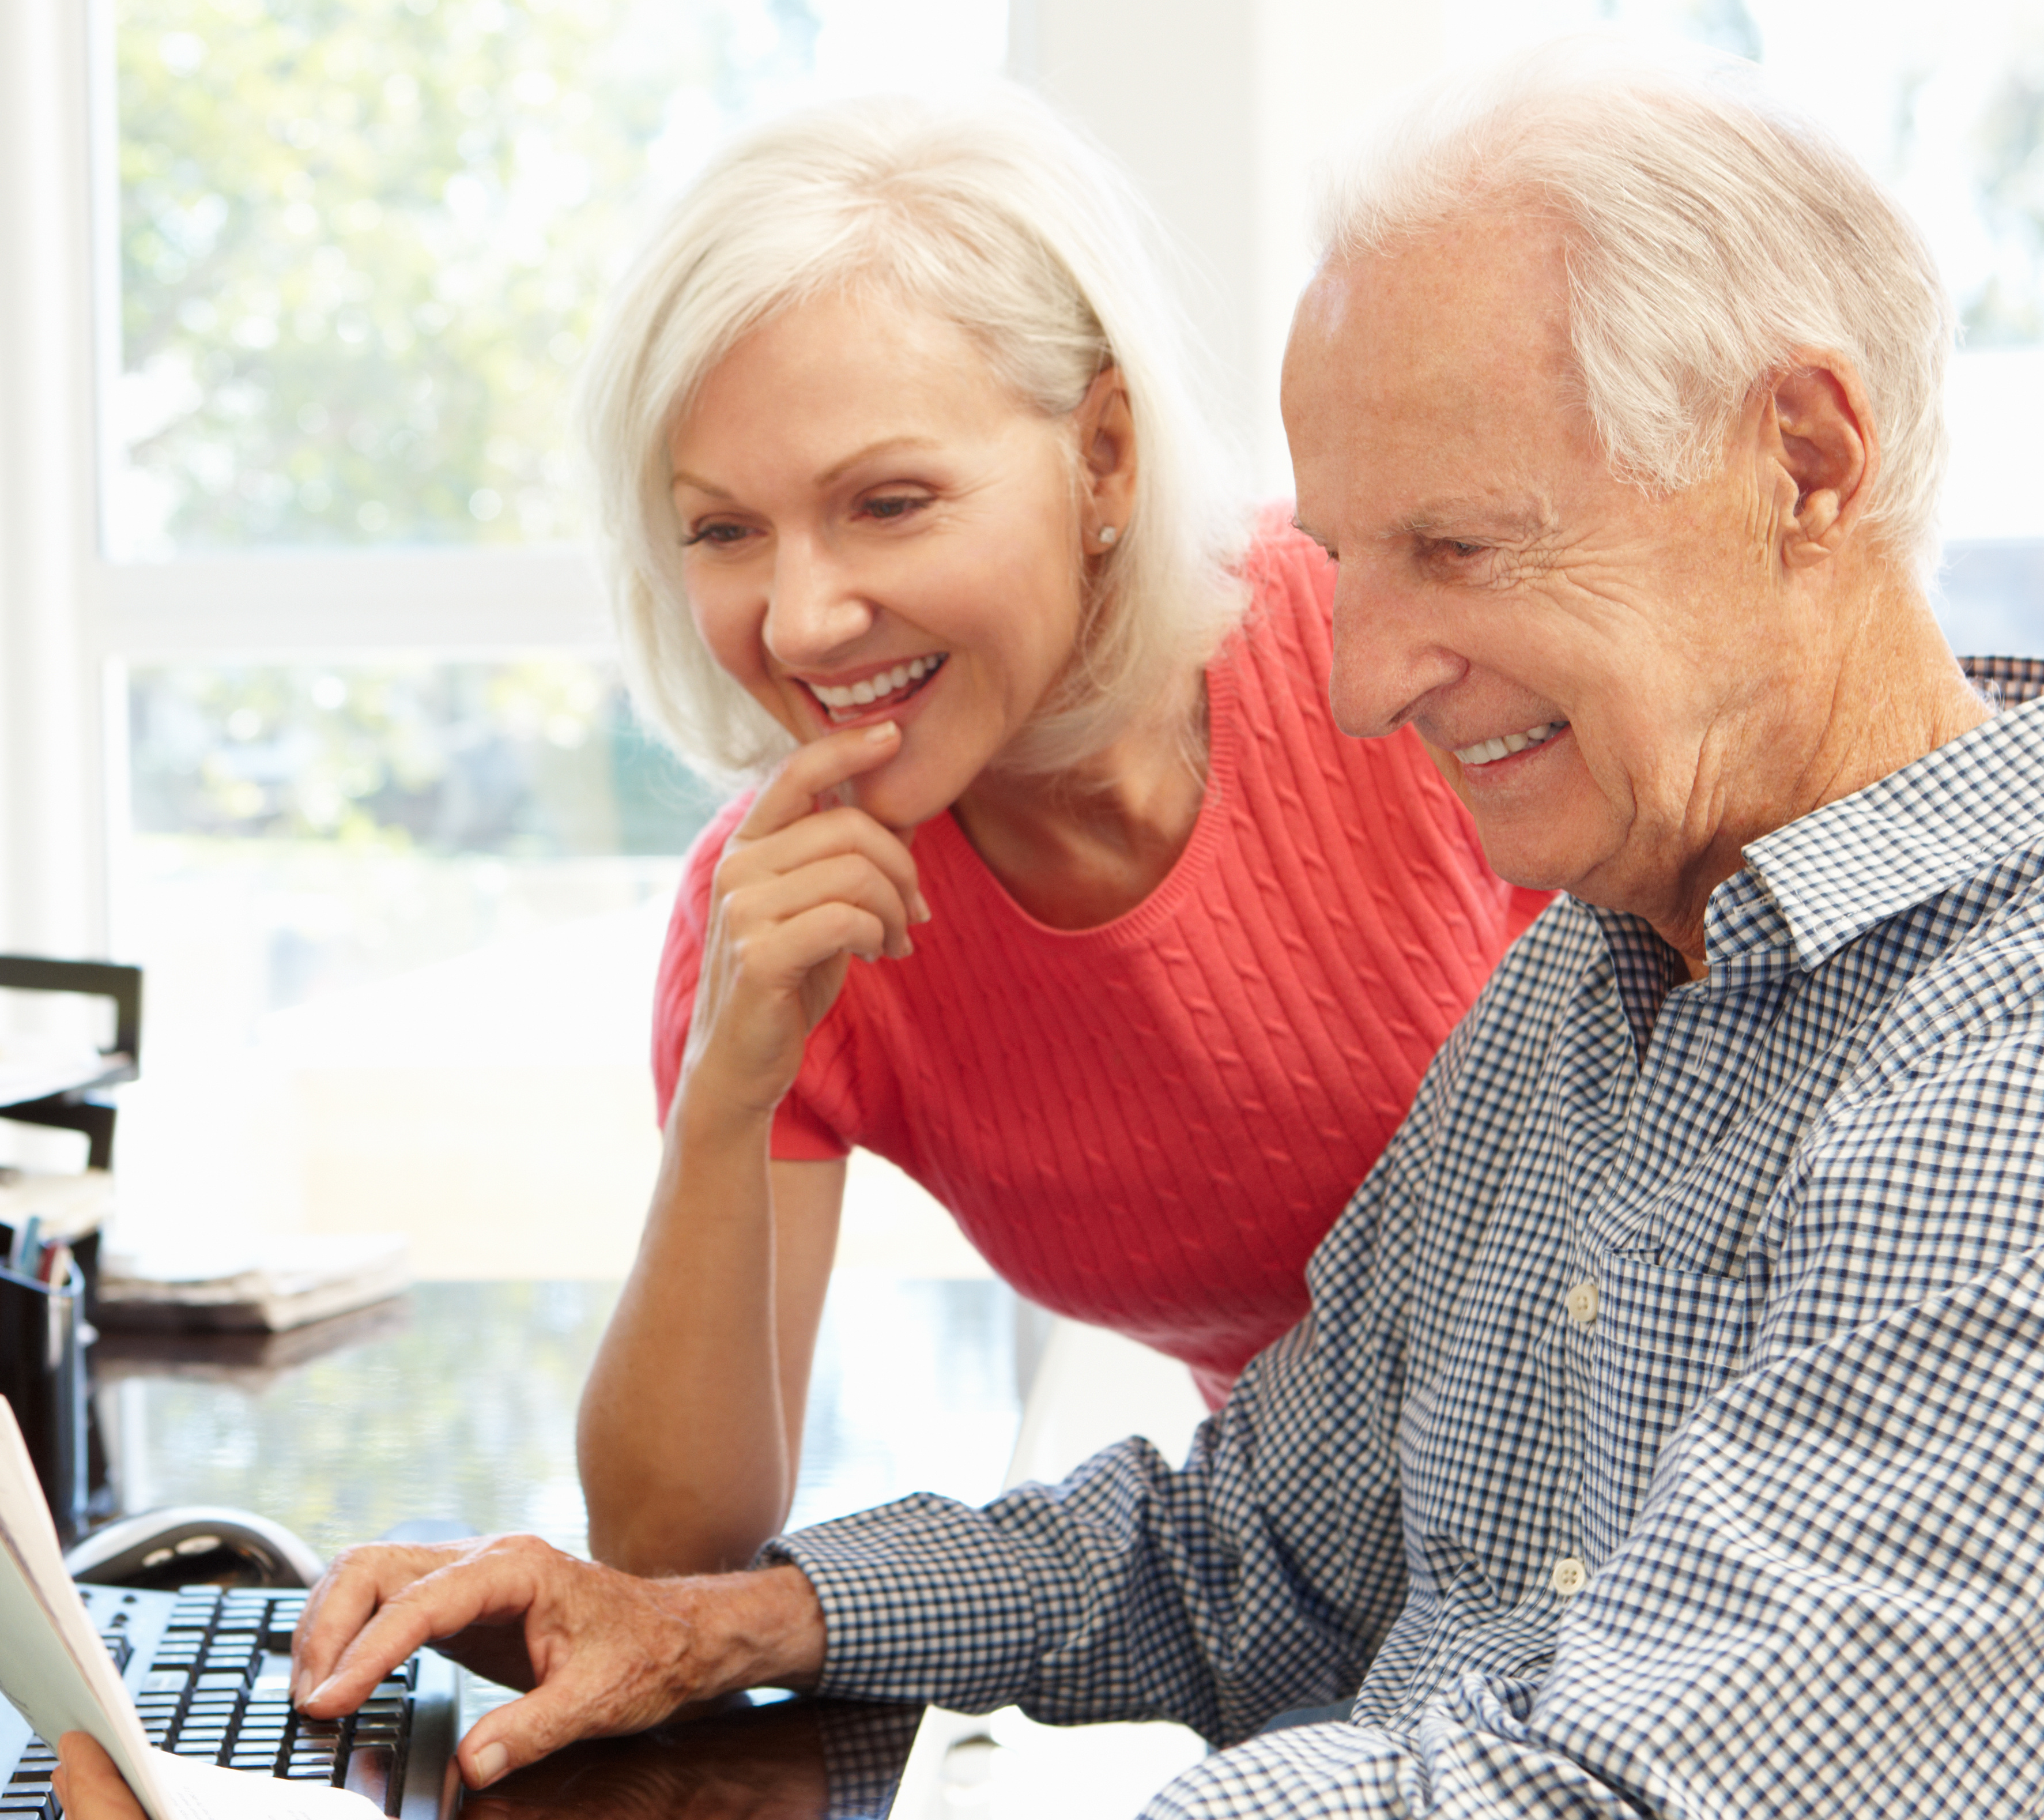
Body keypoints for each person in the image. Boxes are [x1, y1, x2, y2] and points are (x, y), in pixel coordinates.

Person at [61, 39, 2044, 1820]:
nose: (1368, 672)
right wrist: (731, 1621)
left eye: (1460, 554)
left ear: (1807, 468)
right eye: (1356, 557)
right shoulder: (1603, 971)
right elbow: (1252, 1549)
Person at [570, 89, 1549, 1576]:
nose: (801, 617)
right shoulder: (783, 909)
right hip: (1312, 1616)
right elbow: (667, 1552)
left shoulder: (1388, 638)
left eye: (888, 504)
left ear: (1103, 457)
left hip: (1678, 1563)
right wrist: (725, 1098)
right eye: (722, 530)